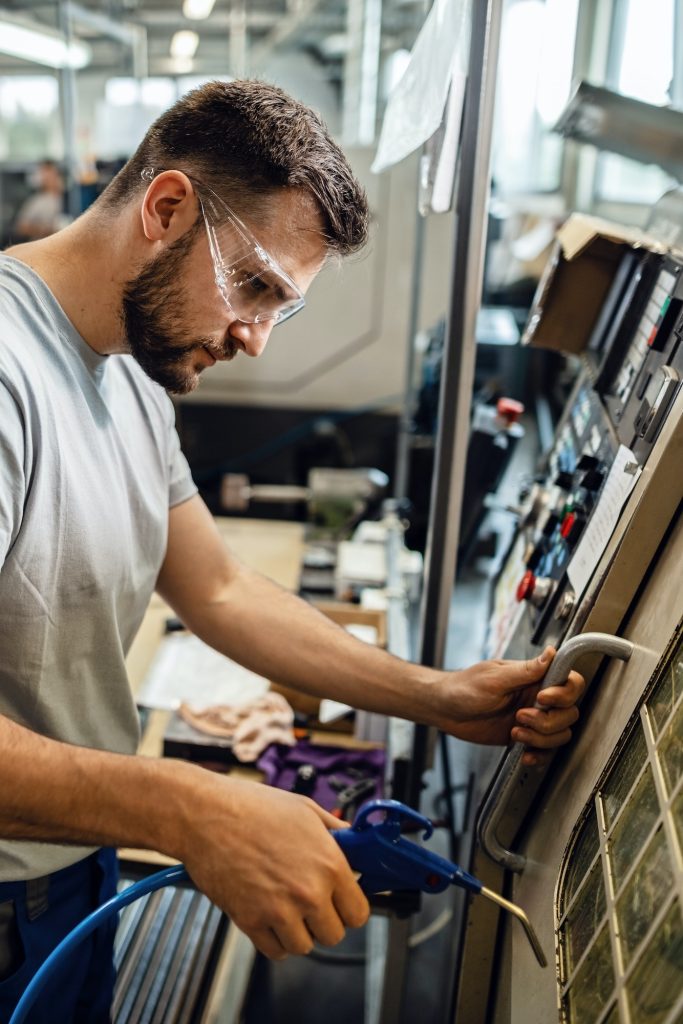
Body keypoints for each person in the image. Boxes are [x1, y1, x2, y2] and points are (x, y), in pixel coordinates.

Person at [0, 80, 584, 1020]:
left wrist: (433, 695)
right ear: (166, 207)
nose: (257, 339)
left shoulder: (134, 368)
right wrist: (189, 809)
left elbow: (222, 590)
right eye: (256, 285)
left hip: (73, 858)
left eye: (284, 306)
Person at [11, 160, 66, 243]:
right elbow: (21, 227)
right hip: (43, 246)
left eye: (50, 174)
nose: (47, 178)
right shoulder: (37, 201)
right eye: (44, 175)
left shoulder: (71, 198)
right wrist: (44, 230)